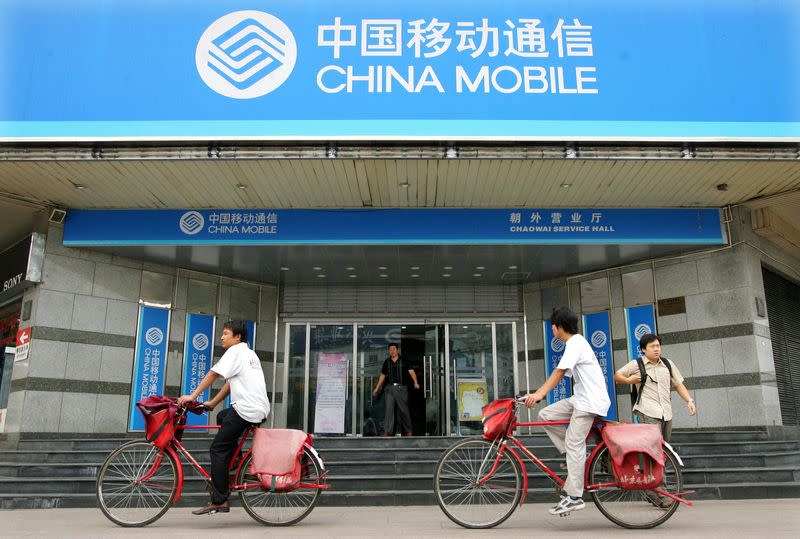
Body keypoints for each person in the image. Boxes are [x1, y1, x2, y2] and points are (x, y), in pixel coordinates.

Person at [524, 307, 611, 516]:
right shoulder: (575, 343)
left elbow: (559, 371)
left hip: (589, 402)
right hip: (580, 399)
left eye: (552, 326)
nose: (552, 329)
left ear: (558, 327)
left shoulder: (575, 343)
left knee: (574, 442)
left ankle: (574, 497)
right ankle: (577, 453)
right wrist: (540, 396)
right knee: (545, 415)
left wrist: (538, 394)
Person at [178, 320, 270, 516]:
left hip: (246, 410)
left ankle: (219, 500)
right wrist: (212, 402)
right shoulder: (249, 354)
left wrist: (192, 397)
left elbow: (213, 374)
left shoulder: (235, 352)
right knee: (222, 415)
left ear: (237, 337)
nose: (222, 337)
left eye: (226, 333)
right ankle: (234, 460)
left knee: (217, 448)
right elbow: (230, 384)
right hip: (256, 409)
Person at [614, 333, 696, 441]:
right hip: (648, 412)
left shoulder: (667, 363)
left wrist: (689, 400)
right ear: (643, 349)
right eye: (652, 346)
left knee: (664, 447)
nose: (656, 349)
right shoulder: (637, 364)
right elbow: (617, 375)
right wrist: (628, 380)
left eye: (658, 346)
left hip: (667, 413)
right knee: (653, 447)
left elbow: (678, 384)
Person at [372, 343, 420, 437]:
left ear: (397, 350)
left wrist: (415, 382)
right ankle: (387, 431)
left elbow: (411, 372)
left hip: (401, 388)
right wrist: (377, 388)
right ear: (389, 351)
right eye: (390, 349)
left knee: (403, 410)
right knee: (389, 410)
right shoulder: (387, 362)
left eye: (394, 349)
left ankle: (409, 430)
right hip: (389, 389)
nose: (392, 351)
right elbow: (382, 375)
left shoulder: (404, 360)